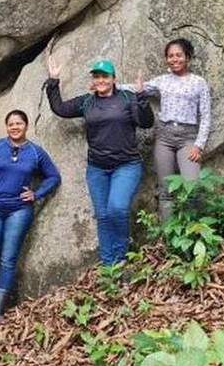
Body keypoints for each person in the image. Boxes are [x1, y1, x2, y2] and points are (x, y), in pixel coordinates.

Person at [45, 56, 154, 267]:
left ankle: (120, 259)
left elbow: (147, 123)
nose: (100, 80)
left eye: (105, 76)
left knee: (117, 209)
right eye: (97, 77)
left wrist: (141, 97)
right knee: (103, 216)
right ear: (93, 80)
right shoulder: (87, 101)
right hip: (97, 169)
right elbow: (60, 108)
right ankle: (108, 265)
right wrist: (53, 81)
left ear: (113, 79)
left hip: (127, 166)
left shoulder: (127, 97)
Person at [0, 109, 61, 324]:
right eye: (11, 124)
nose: (15, 127)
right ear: (6, 127)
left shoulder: (36, 152)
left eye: (19, 123)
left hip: (19, 210)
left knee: (8, 258)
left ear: (26, 126)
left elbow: (53, 176)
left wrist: (37, 194)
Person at [135, 38, 212, 222]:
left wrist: (199, 145)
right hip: (164, 137)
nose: (174, 59)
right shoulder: (162, 81)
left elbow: (206, 116)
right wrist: (109, 87)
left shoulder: (198, 82)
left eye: (178, 55)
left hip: (188, 138)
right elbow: (136, 89)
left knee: (192, 187)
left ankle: (195, 236)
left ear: (187, 57)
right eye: (170, 56)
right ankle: (170, 238)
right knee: (166, 189)